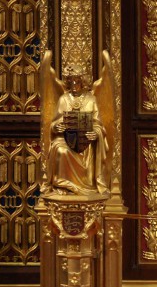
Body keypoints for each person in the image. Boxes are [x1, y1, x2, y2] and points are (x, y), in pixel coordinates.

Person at [42, 64, 109, 195]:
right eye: (71, 80)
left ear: (83, 81)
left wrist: (95, 133)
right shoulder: (64, 99)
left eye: (77, 80)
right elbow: (55, 122)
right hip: (65, 139)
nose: (74, 84)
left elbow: (98, 123)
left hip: (85, 142)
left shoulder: (91, 99)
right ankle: (63, 185)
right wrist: (57, 127)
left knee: (86, 148)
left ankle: (87, 184)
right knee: (60, 150)